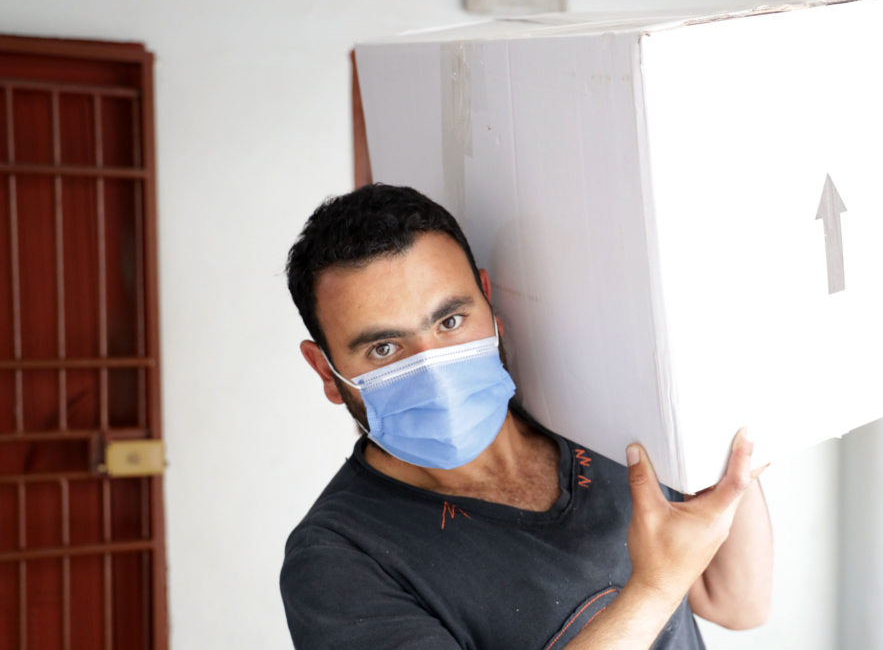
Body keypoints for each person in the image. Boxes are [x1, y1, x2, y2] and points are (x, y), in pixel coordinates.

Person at [280, 183, 773, 649]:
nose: (435, 372)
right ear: (325, 369)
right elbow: (670, 586)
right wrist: (655, 589)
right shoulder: (338, 557)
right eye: (385, 348)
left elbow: (736, 602)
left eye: (451, 322)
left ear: (488, 302)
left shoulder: (595, 419)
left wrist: (725, 426)